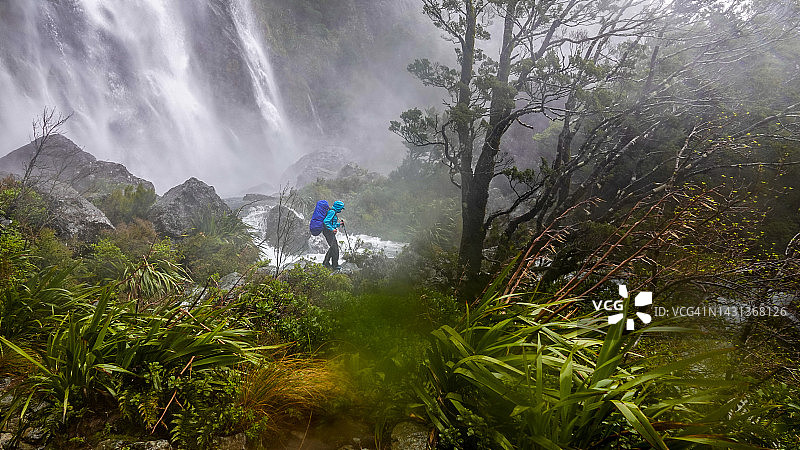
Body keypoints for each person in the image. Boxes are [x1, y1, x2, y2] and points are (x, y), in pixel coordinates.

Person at [322, 200, 345, 269]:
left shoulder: (333, 212)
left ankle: (325, 263)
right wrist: (332, 229)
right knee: (335, 249)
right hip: (328, 232)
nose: (341, 210)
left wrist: (339, 224)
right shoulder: (332, 212)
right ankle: (335, 265)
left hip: (329, 232)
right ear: (338, 207)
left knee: (332, 247)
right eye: (341, 208)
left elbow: (333, 224)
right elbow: (325, 221)